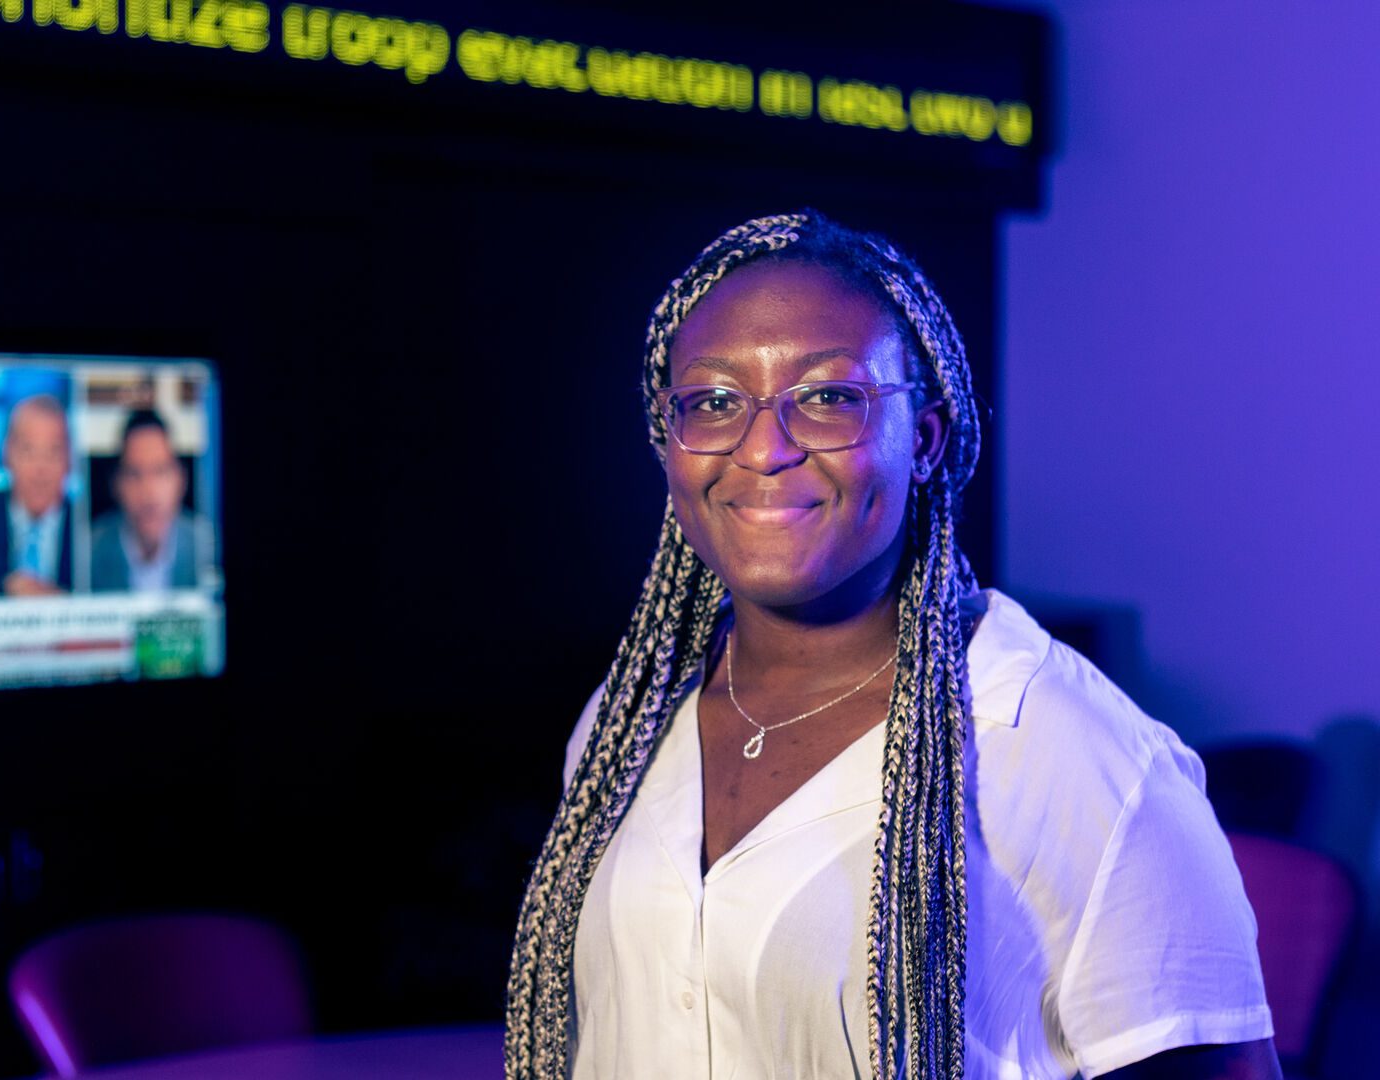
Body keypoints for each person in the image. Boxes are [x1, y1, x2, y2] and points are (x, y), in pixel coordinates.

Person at [503, 213, 1277, 1080]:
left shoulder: (1075, 755)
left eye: (830, 397)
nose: (764, 449)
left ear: (927, 442)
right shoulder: (625, 723)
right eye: (714, 402)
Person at [0, 394, 75, 596]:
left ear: (69, 460)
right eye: (28, 451)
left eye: (53, 452)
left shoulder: (90, 528)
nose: (40, 469)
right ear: (7, 454)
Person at [89, 408, 206, 592]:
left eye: (160, 471)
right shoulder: (88, 552)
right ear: (116, 485)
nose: (148, 492)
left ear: (181, 480)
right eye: (134, 474)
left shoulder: (208, 547)